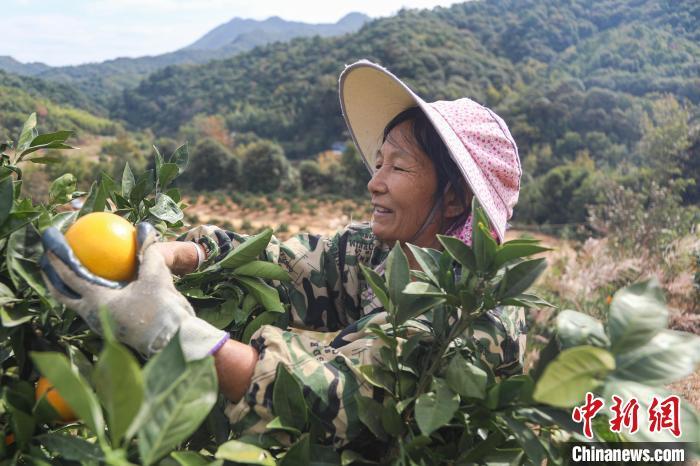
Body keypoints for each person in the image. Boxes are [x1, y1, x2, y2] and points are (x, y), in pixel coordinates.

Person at [40, 60, 524, 447]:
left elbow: (326, 399)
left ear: (457, 199)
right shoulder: (379, 254)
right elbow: (282, 260)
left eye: (399, 166)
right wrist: (177, 253)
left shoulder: (470, 323)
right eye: (379, 162)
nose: (373, 182)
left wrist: (171, 332)